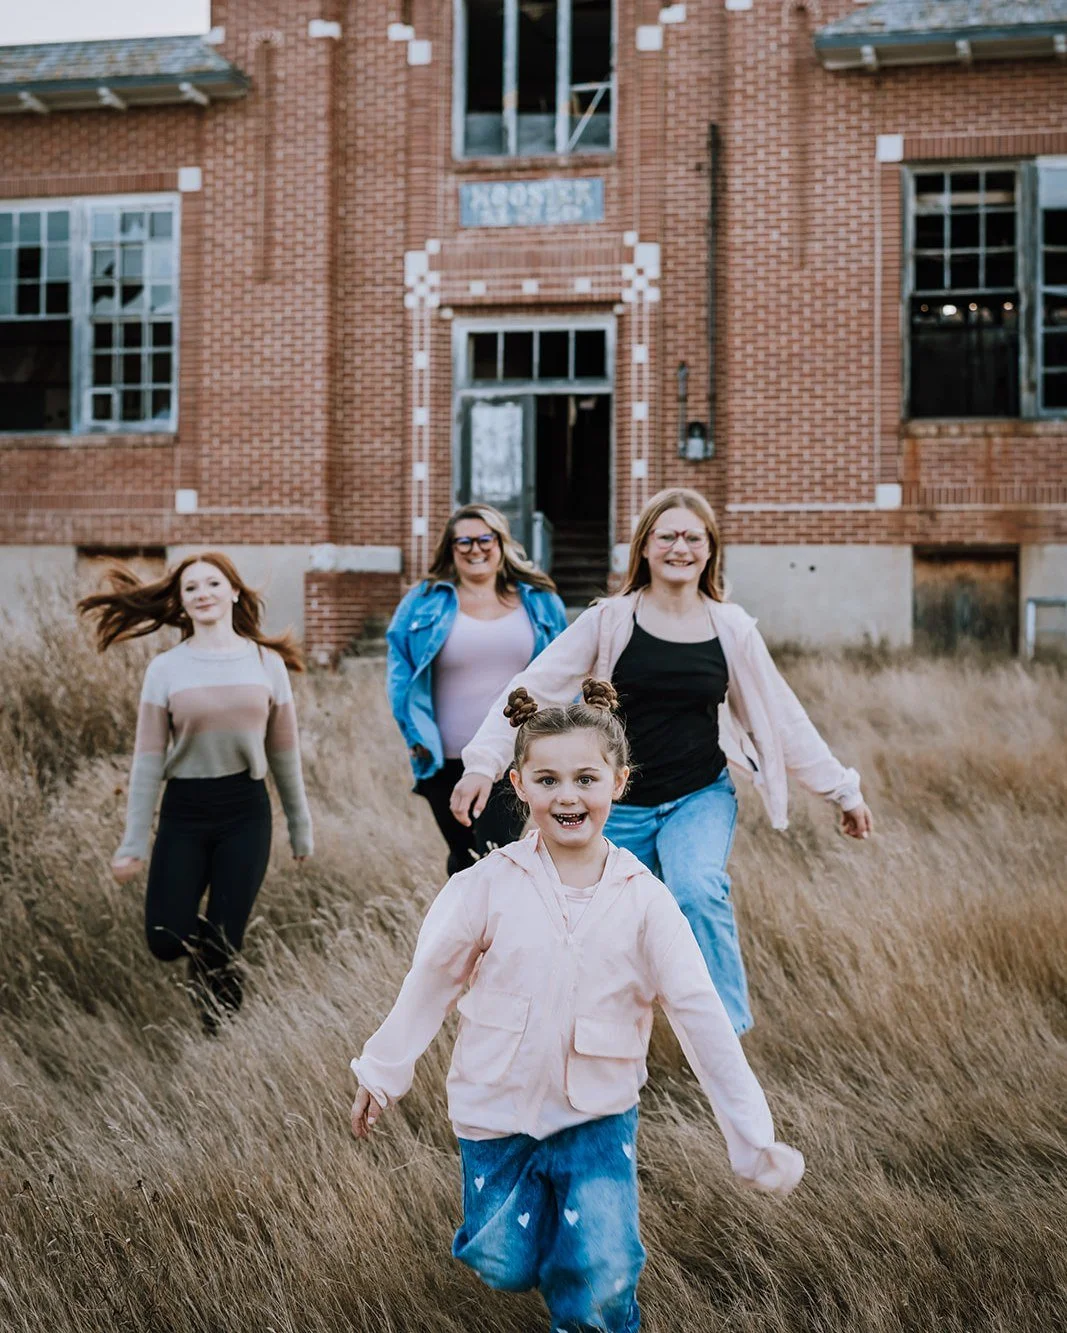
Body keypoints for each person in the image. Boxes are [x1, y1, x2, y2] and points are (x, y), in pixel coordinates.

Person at [350, 680, 803, 1333]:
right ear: (519, 784)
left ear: (617, 783)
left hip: (597, 1114)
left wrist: (752, 1140)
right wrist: (380, 1070)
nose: (567, 794)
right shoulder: (484, 886)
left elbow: (701, 1014)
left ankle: (588, 1309)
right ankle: (541, 1256)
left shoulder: (643, 899)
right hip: (494, 1113)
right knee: (505, 1262)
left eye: (586, 777)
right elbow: (430, 980)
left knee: (600, 1268)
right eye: (548, 778)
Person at [449, 487, 874, 1037]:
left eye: (692, 537)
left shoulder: (732, 630)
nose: (680, 547)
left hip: (698, 796)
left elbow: (785, 720)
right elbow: (533, 684)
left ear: (710, 550)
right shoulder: (611, 621)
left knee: (698, 889)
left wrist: (843, 791)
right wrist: (482, 761)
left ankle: (724, 1035)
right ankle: (596, 1034)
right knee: (596, 922)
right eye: (667, 535)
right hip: (617, 807)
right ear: (645, 547)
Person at [78, 553, 312, 1032]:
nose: (202, 593)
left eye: (212, 583)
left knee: (224, 942)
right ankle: (209, 963)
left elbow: (285, 755)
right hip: (185, 811)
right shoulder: (166, 669)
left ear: (233, 591)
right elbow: (146, 763)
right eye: (190, 588)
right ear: (181, 604)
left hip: (245, 811)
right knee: (165, 939)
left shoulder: (267, 663)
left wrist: (300, 827)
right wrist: (133, 843)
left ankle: (219, 1031)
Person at [386, 503, 568, 875]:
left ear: (502, 543)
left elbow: (565, 671)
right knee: (465, 858)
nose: (475, 548)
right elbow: (400, 674)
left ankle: (500, 932)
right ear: (450, 550)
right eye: (463, 541)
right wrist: (412, 732)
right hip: (444, 756)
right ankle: (462, 932)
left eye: (485, 539)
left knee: (494, 857)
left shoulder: (540, 600)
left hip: (515, 754)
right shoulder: (424, 601)